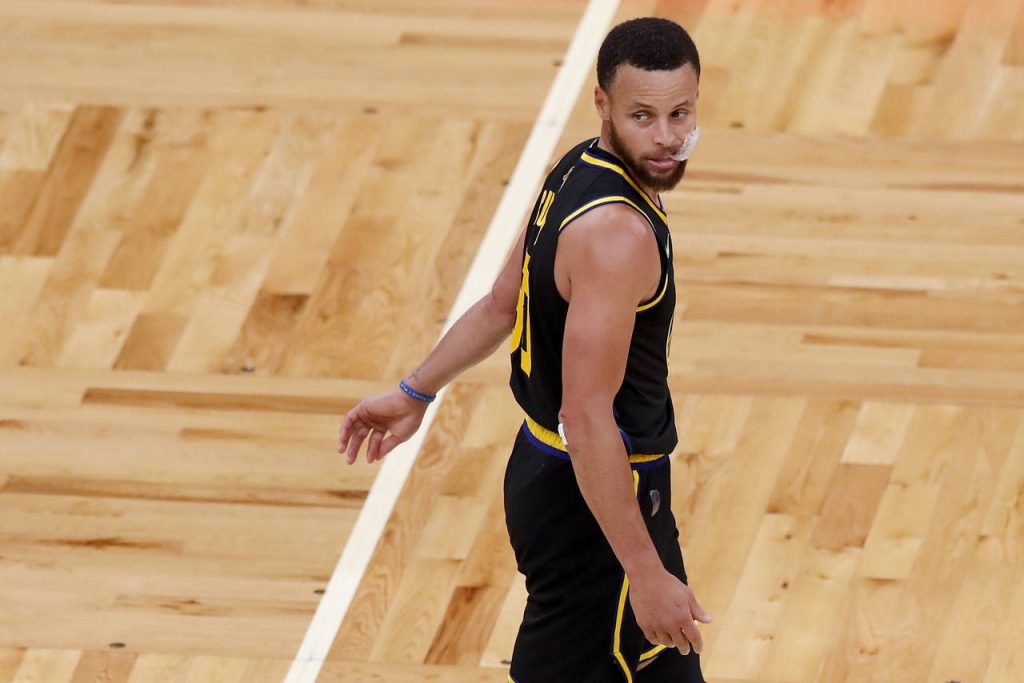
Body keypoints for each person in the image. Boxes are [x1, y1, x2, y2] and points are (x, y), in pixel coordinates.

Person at [339, 17, 710, 683]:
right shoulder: (618, 236)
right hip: (598, 497)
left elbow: (500, 305)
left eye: (680, 114)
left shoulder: (577, 167)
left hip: (553, 472)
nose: (665, 137)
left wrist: (415, 390)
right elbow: (586, 418)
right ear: (603, 104)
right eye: (643, 116)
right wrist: (645, 571)